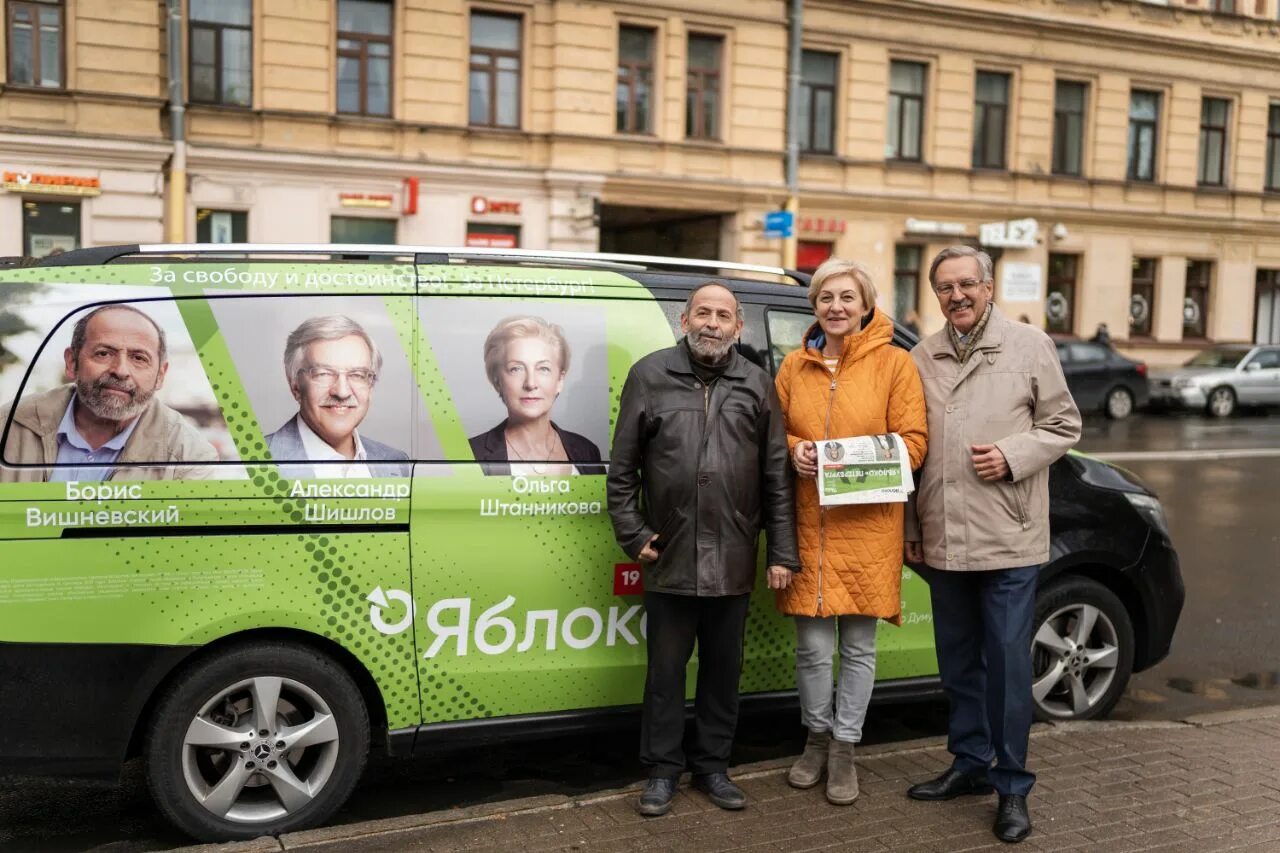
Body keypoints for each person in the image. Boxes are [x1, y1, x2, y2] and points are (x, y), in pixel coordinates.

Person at [903, 246, 1081, 844]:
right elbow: (911, 444)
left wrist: (1011, 455)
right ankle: (970, 762)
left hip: (1009, 534)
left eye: (966, 285)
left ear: (988, 285)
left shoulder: (1030, 345)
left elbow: (1063, 425)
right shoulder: (921, 355)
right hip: (944, 536)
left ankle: (1012, 787)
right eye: (945, 288)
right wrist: (911, 526)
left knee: (1006, 666)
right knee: (958, 662)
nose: (957, 296)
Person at [607, 281, 799, 817]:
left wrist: (782, 553)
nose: (712, 323)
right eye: (703, 313)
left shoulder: (758, 383)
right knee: (665, 673)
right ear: (684, 320)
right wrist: (634, 533)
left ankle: (713, 767)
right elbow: (622, 471)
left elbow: (777, 476)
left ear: (738, 328)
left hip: (734, 553)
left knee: (722, 671)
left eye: (723, 315)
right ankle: (662, 772)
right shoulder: (650, 375)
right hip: (669, 552)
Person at [774, 258, 927, 806]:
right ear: (813, 306)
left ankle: (845, 749)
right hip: (809, 523)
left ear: (865, 305)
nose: (835, 308)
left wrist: (840, 461)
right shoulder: (794, 366)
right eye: (825, 298)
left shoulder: (895, 364)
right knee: (813, 651)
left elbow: (912, 444)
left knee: (858, 648)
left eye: (846, 298)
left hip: (868, 528)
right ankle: (815, 741)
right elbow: (778, 435)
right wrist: (797, 453)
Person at [0, 304, 217, 483]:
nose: (121, 371)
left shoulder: (188, 454)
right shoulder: (7, 426)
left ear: (160, 375)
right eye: (103, 353)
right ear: (72, 362)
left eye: (139, 358)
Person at [266, 315, 409, 478]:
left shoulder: (397, 463)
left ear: (371, 386)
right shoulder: (250, 463)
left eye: (357, 374)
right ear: (295, 385)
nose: (342, 392)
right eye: (323, 374)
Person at [469, 315, 604, 476]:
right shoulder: (471, 453)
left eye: (543, 369)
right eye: (516, 369)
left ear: (559, 380)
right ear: (497, 381)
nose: (531, 383)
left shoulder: (587, 450)